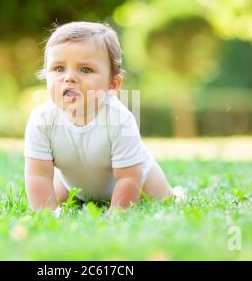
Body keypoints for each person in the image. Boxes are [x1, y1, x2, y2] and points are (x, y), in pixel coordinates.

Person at [24, 21, 185, 216]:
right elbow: (38, 174)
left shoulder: (119, 120)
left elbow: (128, 178)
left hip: (138, 179)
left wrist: (115, 214)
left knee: (160, 197)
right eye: (59, 68)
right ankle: (80, 197)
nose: (69, 78)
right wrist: (46, 213)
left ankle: (176, 195)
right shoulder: (42, 120)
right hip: (76, 181)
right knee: (55, 195)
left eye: (85, 70)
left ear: (112, 83)